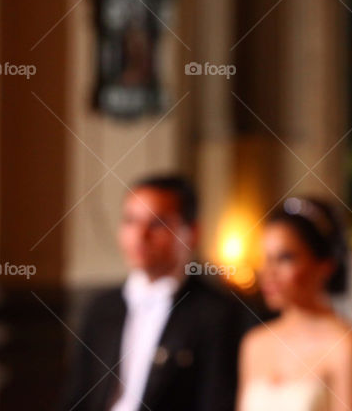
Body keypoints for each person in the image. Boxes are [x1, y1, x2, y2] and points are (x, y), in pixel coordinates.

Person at [61, 175, 251, 411]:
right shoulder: (101, 308)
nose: (140, 236)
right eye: (130, 221)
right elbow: (77, 398)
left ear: (191, 232)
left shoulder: (216, 314)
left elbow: (215, 403)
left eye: (158, 223)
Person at [238, 197, 352, 411]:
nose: (268, 272)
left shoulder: (344, 346)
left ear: (324, 265)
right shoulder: (254, 344)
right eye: (265, 258)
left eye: (285, 258)